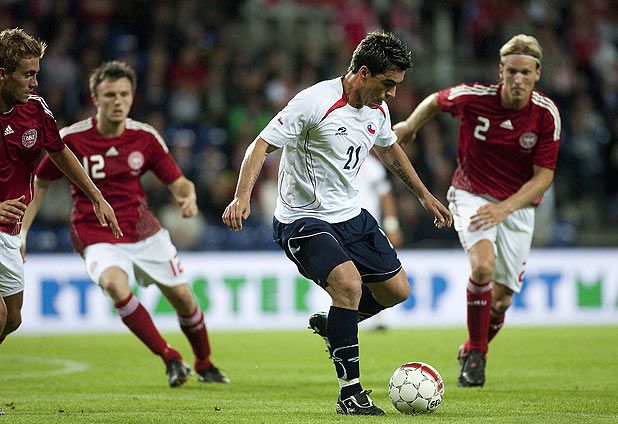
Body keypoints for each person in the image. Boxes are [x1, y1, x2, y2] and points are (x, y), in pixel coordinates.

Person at [222, 31, 452, 415]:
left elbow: (389, 147)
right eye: (388, 84)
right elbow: (260, 144)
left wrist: (424, 195)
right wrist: (242, 196)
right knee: (347, 284)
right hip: (303, 218)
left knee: (397, 291)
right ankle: (351, 394)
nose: (393, 94)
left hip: (351, 214)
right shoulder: (314, 102)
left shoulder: (378, 110)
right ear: (363, 73)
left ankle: (336, 326)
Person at [21, 61, 229, 387]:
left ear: (132, 97)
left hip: (143, 230)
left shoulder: (144, 138)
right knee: (116, 285)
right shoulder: (72, 138)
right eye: (109, 95)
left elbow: (180, 183)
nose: (117, 101)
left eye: (124, 94)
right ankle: (170, 357)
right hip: (95, 232)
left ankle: (204, 362)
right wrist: (22, 230)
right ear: (95, 98)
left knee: (184, 300)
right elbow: (41, 181)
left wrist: (188, 197)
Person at [394, 34, 561, 387]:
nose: (518, 79)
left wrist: (504, 209)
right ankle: (477, 358)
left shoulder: (546, 115)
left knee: (501, 303)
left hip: (515, 205)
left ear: (537, 74)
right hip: (471, 194)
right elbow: (436, 101)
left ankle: (472, 346)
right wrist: (409, 125)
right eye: (512, 71)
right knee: (482, 267)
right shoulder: (474, 98)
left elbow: (543, 177)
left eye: (525, 72)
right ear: (501, 71)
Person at [0, 28, 121, 346]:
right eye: (27, 74)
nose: (35, 82)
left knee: (12, 318)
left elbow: (59, 151)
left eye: (36, 73)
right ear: (2, 74)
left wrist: (95, 195)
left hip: (8, 231)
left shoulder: (35, 110)